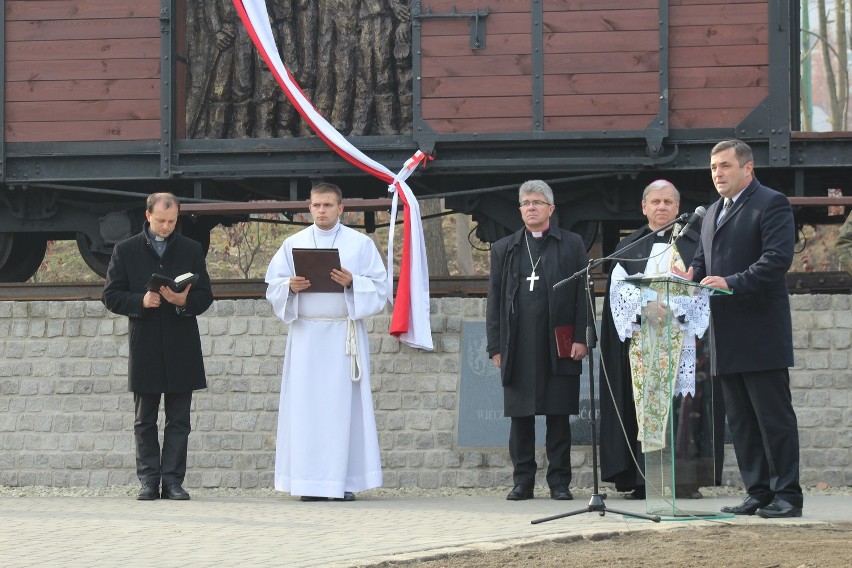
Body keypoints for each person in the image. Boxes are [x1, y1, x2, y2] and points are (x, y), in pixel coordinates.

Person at [673, 140, 802, 518]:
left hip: (761, 330)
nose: (717, 173)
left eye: (725, 166)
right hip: (725, 334)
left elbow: (777, 260)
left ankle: (788, 496)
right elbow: (700, 260)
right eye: (713, 167)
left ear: (748, 168)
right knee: (742, 421)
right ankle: (758, 491)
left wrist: (732, 282)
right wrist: (688, 275)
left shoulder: (771, 202)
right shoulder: (711, 212)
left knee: (772, 418)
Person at [599, 180, 723, 501]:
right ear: (644, 207)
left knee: (684, 409)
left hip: (685, 343)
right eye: (655, 202)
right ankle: (643, 480)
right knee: (644, 405)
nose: (662, 207)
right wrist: (645, 307)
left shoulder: (697, 244)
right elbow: (618, 288)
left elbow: (705, 287)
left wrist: (677, 307)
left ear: (678, 207)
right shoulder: (630, 246)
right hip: (643, 343)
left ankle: (685, 481)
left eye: (668, 201)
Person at [265, 182, 387, 501]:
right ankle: (307, 483)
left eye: (328, 205)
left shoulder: (359, 245)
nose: (322, 210)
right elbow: (272, 286)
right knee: (305, 410)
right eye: (317, 205)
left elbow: (380, 289)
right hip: (306, 337)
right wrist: (289, 287)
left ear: (341, 208)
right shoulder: (293, 244)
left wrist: (353, 283)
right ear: (309, 208)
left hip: (342, 337)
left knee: (343, 411)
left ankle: (344, 483)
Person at [102, 193, 213, 501]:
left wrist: (183, 301)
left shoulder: (191, 249)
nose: (166, 227)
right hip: (146, 345)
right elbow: (110, 295)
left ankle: (173, 481)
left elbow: (205, 295)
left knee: (180, 420)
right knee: (145, 419)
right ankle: (149, 480)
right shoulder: (125, 250)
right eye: (161, 221)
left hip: (182, 345)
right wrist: (140, 300)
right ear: (148, 216)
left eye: (172, 221)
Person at [486, 180, 589, 501]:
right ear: (520, 210)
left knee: (558, 414)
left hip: (557, 341)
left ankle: (559, 482)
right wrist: (495, 346)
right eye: (526, 202)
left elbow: (582, 296)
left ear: (551, 209)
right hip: (518, 344)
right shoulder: (505, 248)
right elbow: (495, 300)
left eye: (537, 202)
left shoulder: (572, 244)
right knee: (521, 416)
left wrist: (581, 337)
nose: (531, 207)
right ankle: (523, 481)